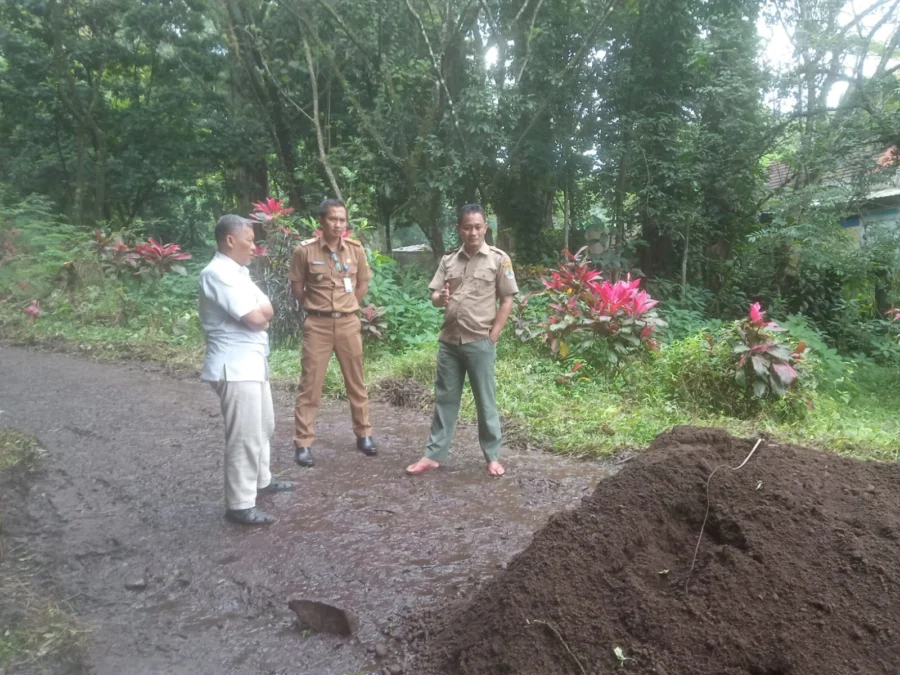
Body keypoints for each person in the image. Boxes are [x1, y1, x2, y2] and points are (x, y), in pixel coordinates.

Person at [406, 204, 518, 478]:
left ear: (485, 228)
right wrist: (439, 299)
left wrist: (494, 335)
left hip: (480, 341)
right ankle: (433, 456)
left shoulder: (498, 259)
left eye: (478, 226)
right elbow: (434, 297)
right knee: (444, 399)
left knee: (485, 401)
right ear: (459, 229)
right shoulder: (449, 260)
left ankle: (492, 457)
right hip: (449, 342)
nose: (473, 232)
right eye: (467, 227)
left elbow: (507, 299)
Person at [199, 215, 294, 526]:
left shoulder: (238, 272)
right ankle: (239, 504)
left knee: (263, 425)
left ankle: (262, 479)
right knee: (244, 435)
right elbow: (255, 318)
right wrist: (259, 317)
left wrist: (260, 316)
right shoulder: (216, 273)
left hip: (252, 362)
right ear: (230, 240)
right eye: (250, 240)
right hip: (234, 365)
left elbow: (266, 309)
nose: (255, 246)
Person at [288, 198, 377, 467]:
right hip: (318, 325)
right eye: (333, 219)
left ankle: (364, 435)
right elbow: (298, 289)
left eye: (342, 219)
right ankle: (303, 443)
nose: (338, 224)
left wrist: (349, 307)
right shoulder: (305, 252)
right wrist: (316, 309)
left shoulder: (355, 250)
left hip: (349, 323)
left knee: (356, 381)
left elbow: (362, 285)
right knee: (310, 384)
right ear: (322, 221)